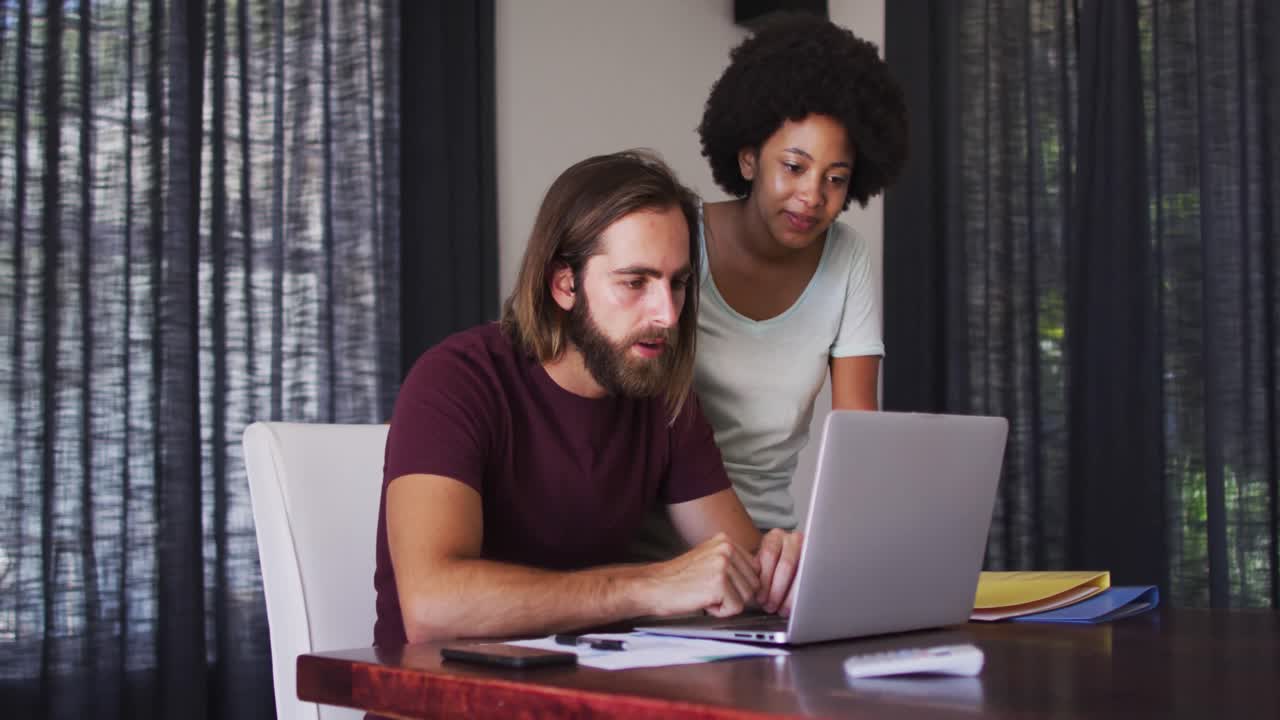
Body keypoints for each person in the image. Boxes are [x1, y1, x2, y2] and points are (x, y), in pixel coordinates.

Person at [373, 151, 805, 646]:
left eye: (678, 284)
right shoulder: (455, 381)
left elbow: (745, 571)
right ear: (564, 284)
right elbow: (433, 607)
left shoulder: (660, 395)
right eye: (635, 282)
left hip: (587, 694)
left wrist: (783, 571)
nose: (667, 313)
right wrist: (648, 586)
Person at [692, 14, 910, 532]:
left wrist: (840, 554)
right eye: (794, 167)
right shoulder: (679, 236)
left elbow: (857, 430)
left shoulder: (845, 257)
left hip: (774, 558)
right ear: (748, 159)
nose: (813, 196)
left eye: (836, 178)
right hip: (663, 561)